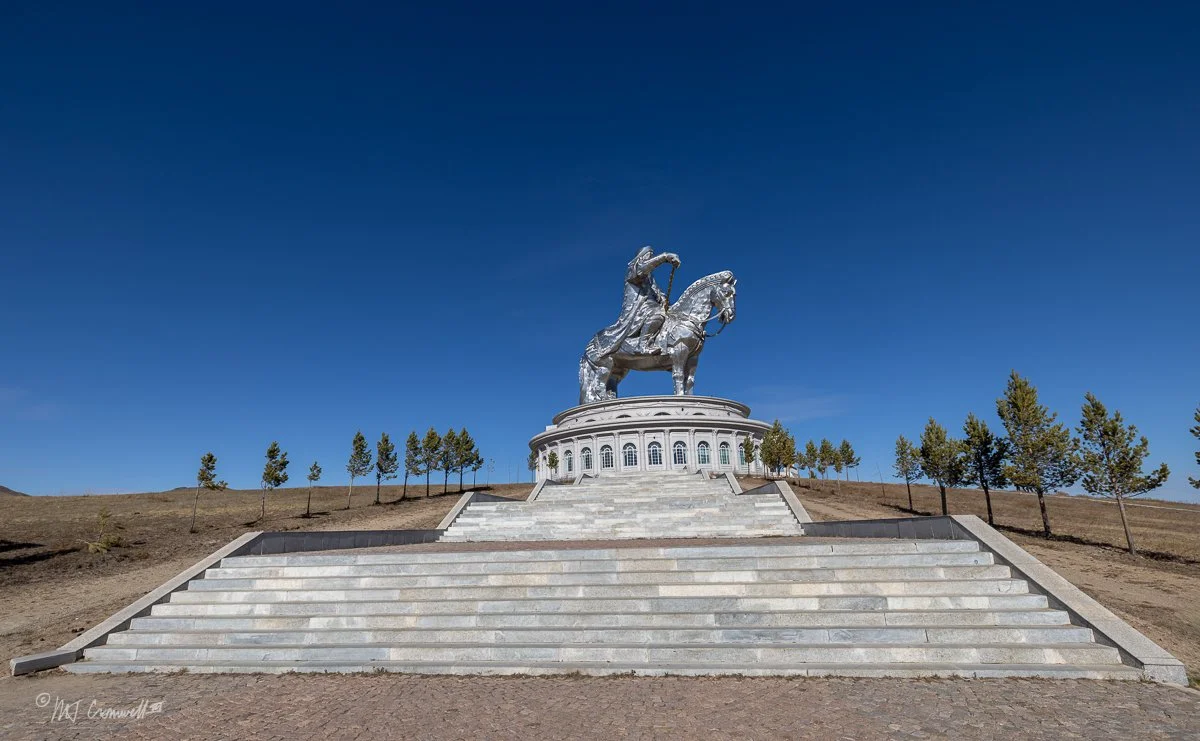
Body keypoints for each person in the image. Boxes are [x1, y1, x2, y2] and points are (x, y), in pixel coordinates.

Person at [590, 246, 680, 358]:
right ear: (641, 256)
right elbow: (642, 269)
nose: (650, 257)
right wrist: (665, 257)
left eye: (652, 255)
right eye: (648, 254)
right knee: (658, 314)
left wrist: (662, 297)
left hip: (651, 304)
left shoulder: (650, 278)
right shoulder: (634, 268)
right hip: (639, 307)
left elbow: (655, 290)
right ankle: (643, 345)